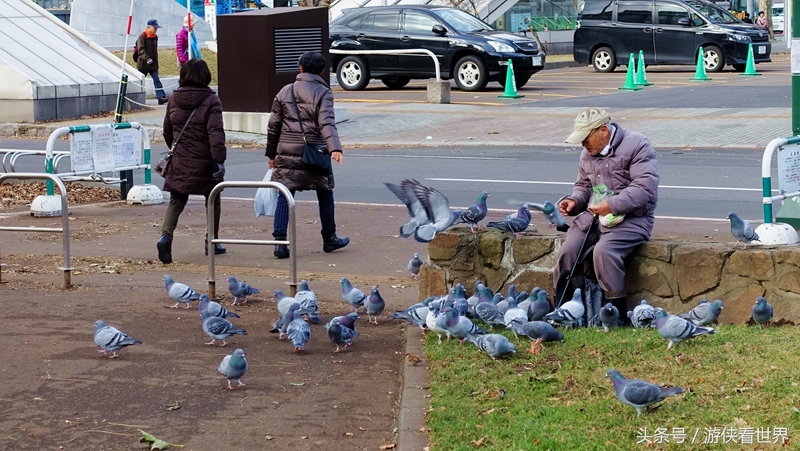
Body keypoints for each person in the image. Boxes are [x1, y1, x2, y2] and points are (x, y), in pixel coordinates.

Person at [553, 108, 659, 319]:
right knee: (568, 252)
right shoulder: (587, 153)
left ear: (603, 130)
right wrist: (574, 201)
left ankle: (616, 315)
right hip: (593, 219)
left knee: (604, 251)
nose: (583, 144)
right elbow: (583, 187)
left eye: (585, 138)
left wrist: (611, 205)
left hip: (633, 219)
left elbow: (645, 188)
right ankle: (562, 311)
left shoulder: (637, 145)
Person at [266, 51, 349, 259]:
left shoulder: (285, 91)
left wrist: (271, 154)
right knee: (325, 192)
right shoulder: (324, 92)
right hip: (317, 150)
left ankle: (280, 243)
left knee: (285, 194)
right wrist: (335, 147)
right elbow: (326, 121)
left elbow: (273, 126)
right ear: (321, 71)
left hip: (287, 150)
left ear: (300, 68)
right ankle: (329, 238)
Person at [157, 59, 227, 264]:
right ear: (205, 76)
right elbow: (215, 133)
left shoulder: (174, 99)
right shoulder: (211, 100)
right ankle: (211, 241)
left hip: (180, 157)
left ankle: (165, 236)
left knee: (177, 199)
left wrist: (177, 148)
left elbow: (167, 130)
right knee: (213, 198)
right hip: (205, 159)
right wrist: (219, 160)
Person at [136, 19, 169, 105]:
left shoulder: (155, 37)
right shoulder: (142, 36)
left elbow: (155, 51)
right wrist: (147, 59)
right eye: (155, 28)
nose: (156, 29)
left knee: (157, 80)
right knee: (139, 80)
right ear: (149, 27)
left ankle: (161, 97)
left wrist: (155, 62)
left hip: (153, 64)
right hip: (143, 64)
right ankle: (135, 96)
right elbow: (141, 50)